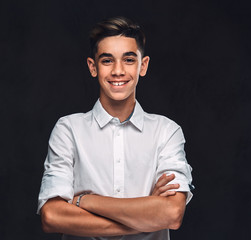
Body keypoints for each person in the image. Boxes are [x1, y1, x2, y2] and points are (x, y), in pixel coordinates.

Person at [37, 16, 194, 240]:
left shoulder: (167, 132)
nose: (118, 71)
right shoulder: (68, 130)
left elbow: (172, 213)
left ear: (143, 65)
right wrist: (146, 216)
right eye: (107, 60)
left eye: (129, 60)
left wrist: (84, 201)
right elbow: (52, 217)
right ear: (93, 67)